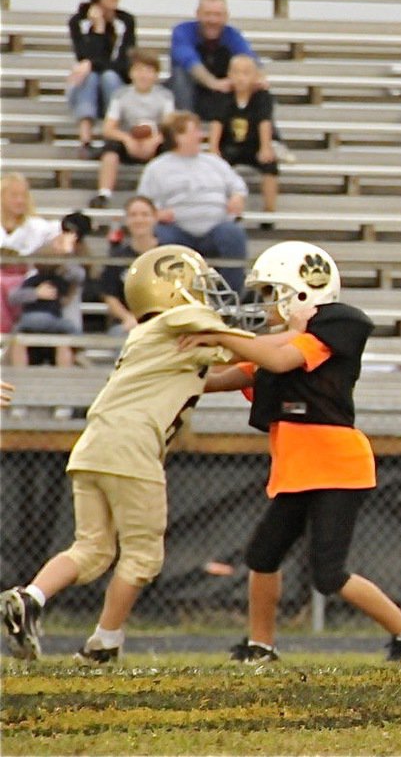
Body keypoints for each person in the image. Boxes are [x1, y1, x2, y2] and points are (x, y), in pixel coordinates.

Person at [182, 241, 401, 666]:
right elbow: (225, 376)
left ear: (304, 291)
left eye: (272, 293)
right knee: (262, 556)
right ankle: (260, 647)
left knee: (328, 574)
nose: (266, 304)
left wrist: (219, 335)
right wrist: (173, 364)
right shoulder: (278, 345)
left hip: (335, 466)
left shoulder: (331, 329)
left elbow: (280, 360)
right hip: (300, 468)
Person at [0, 245, 247, 663]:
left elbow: (203, 375)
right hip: (132, 447)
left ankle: (31, 597)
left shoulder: (145, 334)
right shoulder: (183, 319)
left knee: (92, 549)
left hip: (93, 444)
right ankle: (104, 642)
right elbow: (255, 350)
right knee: (143, 556)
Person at [138, 111, 249, 293]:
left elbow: (237, 185)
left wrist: (237, 196)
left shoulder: (214, 162)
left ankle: (231, 295)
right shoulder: (157, 168)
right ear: (178, 136)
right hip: (177, 229)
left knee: (233, 235)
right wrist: (157, 213)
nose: (200, 135)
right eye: (194, 131)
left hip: (216, 228)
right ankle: (169, 293)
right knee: (161, 238)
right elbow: (144, 202)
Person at [90, 49, 175, 210]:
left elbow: (169, 126)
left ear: (156, 75)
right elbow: (108, 128)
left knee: (170, 148)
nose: (143, 76)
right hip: (129, 139)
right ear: (131, 73)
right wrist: (127, 139)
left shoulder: (165, 96)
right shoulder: (121, 95)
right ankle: (104, 193)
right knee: (110, 149)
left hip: (154, 141)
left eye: (149, 71)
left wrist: (154, 140)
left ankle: (165, 195)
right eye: (139, 70)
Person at [67, 0, 137, 158]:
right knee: (89, 77)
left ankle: (111, 138)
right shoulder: (78, 21)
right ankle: (85, 140)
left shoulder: (126, 21)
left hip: (114, 85)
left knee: (108, 76)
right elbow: (83, 56)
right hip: (87, 89)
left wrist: (91, 63)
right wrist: (97, 29)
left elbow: (122, 63)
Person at [0, 173, 79, 334]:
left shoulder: (40, 227)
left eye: (23, 195)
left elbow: (63, 242)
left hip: (31, 283)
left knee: (71, 279)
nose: (20, 200)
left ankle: (73, 342)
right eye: (14, 196)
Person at [169, 0, 266, 122]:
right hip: (189, 91)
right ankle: (186, 126)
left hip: (219, 93)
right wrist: (212, 83)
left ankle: (271, 136)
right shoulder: (182, 31)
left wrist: (260, 78)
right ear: (198, 14)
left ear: (226, 17)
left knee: (257, 86)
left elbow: (249, 58)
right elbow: (189, 60)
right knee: (180, 75)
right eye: (208, 14)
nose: (213, 20)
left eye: (217, 15)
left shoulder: (232, 35)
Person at [210, 54, 279, 214]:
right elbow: (217, 122)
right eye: (236, 73)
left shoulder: (262, 97)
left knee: (270, 165)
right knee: (217, 166)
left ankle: (269, 210)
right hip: (229, 145)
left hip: (254, 145)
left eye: (246, 73)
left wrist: (265, 147)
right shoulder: (223, 96)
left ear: (255, 76)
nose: (241, 78)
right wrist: (213, 148)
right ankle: (224, 209)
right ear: (229, 75)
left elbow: (264, 122)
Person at [97, 196, 160, 337]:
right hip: (128, 324)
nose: (139, 220)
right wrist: (128, 318)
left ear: (155, 218)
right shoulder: (117, 258)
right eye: (133, 215)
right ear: (126, 220)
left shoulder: (168, 254)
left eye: (145, 215)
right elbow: (110, 296)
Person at [8, 263, 83, 369]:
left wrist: (33, 293)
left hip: (27, 320)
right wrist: (36, 293)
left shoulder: (30, 280)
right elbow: (65, 299)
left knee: (17, 335)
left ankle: (18, 373)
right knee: (70, 327)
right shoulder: (59, 281)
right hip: (50, 320)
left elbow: (13, 297)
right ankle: (80, 351)